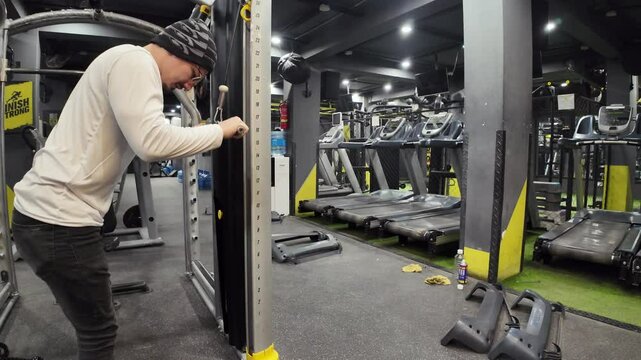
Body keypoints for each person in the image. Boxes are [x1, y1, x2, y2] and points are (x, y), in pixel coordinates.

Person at [10, 19, 247, 360]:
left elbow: (144, 135)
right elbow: (152, 143)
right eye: (194, 73)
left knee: (91, 310)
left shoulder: (124, 61)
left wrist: (201, 131)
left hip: (51, 217)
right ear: (178, 51)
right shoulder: (136, 62)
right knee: (99, 330)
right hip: (58, 222)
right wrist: (220, 132)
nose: (188, 84)